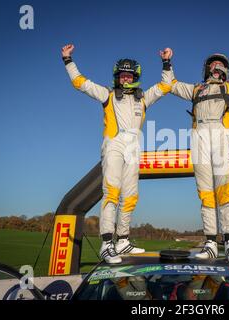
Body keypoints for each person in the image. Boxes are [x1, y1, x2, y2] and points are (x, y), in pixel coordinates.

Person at [162, 25, 229, 264]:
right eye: (213, 64)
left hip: (221, 135)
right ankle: (211, 241)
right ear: (206, 69)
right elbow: (170, 85)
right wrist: (167, 63)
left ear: (225, 70)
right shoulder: (195, 89)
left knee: (224, 192)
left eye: (220, 64)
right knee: (205, 192)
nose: (217, 67)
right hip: (199, 135)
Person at [61, 44, 173, 264]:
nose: (124, 79)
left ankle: (122, 240)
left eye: (128, 75)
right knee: (111, 192)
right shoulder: (108, 95)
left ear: (135, 77)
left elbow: (166, 85)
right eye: (121, 75)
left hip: (134, 147)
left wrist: (166, 62)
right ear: (116, 77)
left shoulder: (144, 98)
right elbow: (80, 83)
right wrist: (68, 60)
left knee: (130, 196)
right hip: (114, 143)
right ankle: (106, 244)